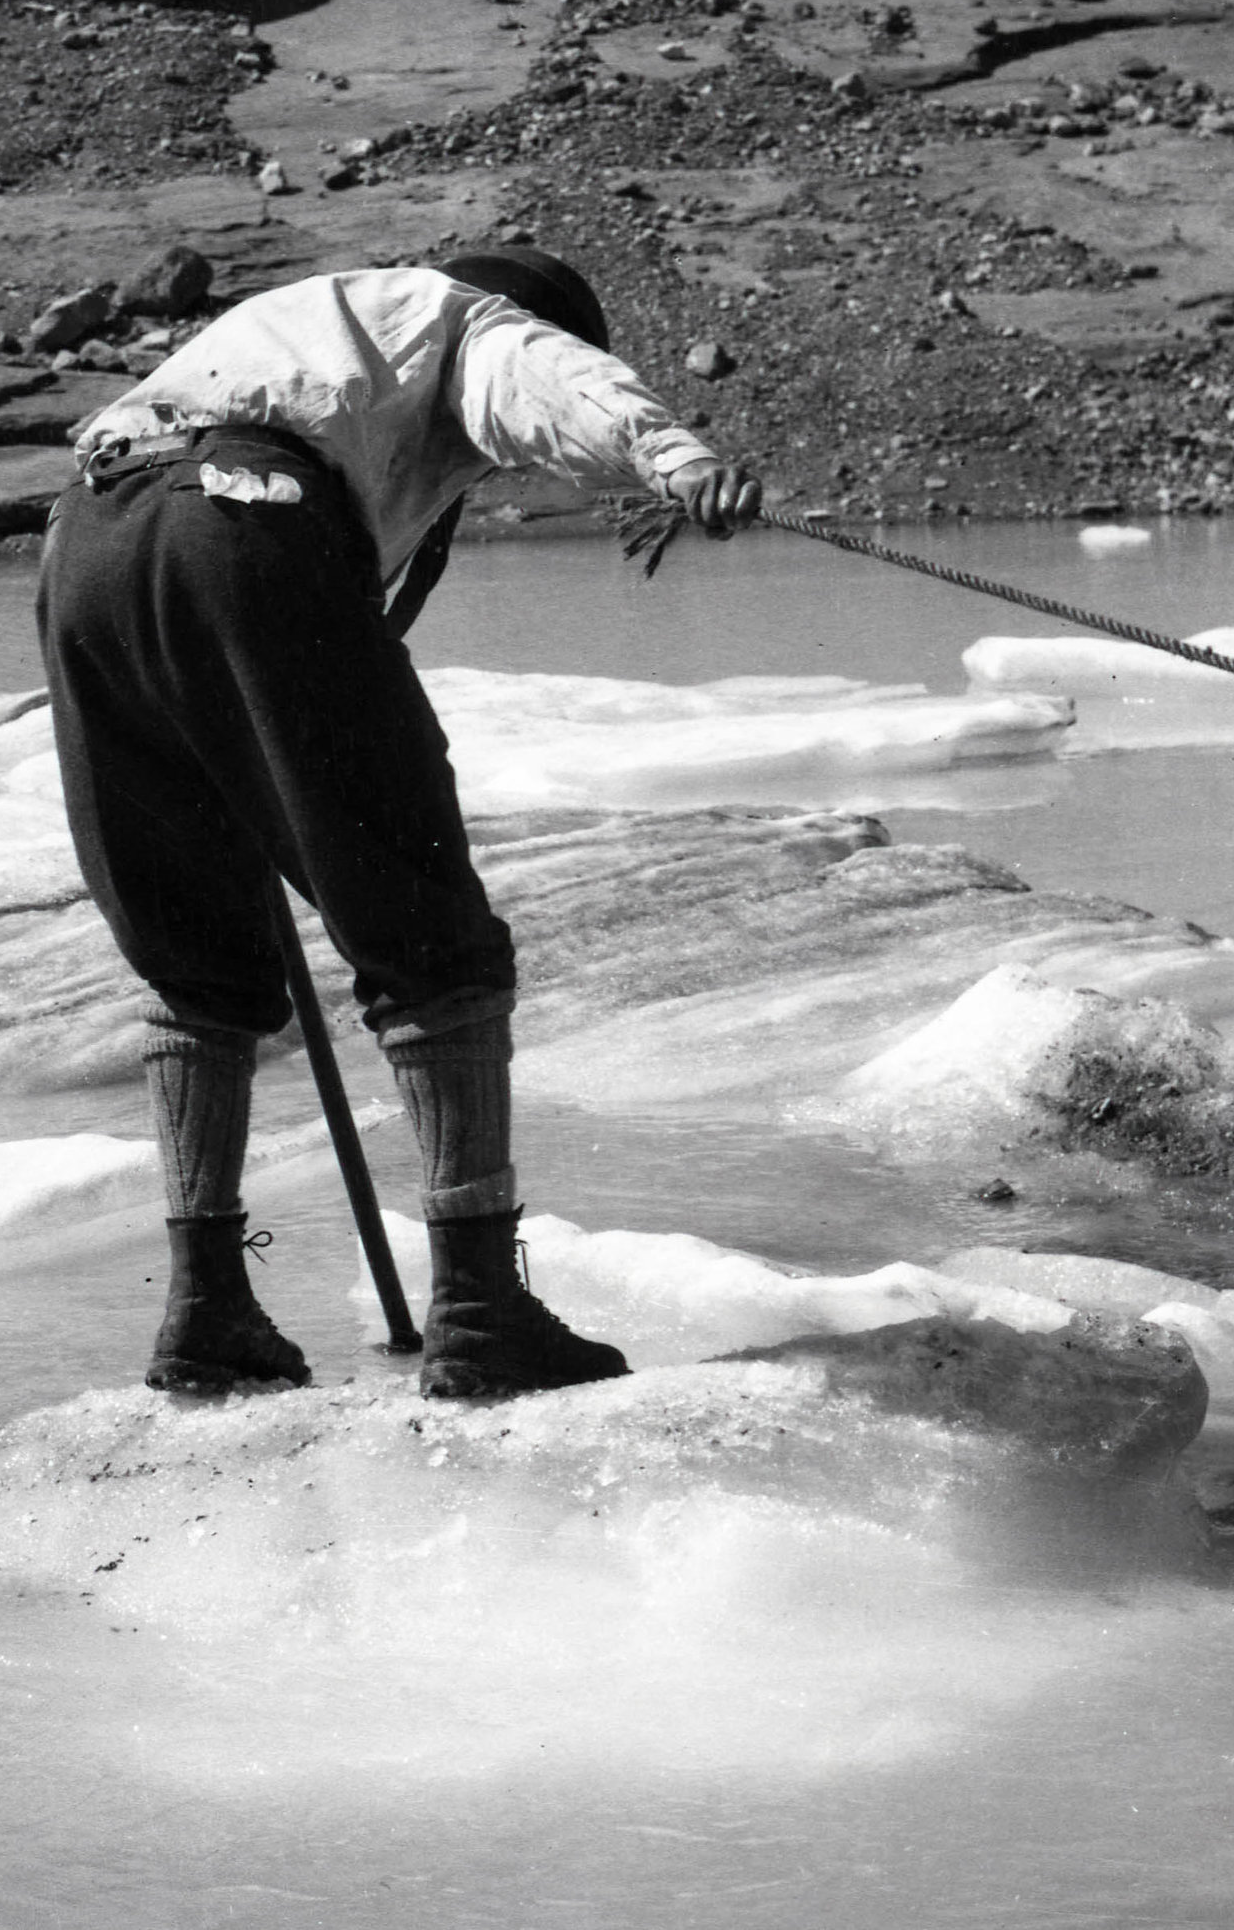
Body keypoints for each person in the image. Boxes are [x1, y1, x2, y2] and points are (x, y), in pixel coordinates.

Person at [37, 248, 761, 1403]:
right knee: (428, 936)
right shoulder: (459, 319)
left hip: (89, 543)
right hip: (247, 522)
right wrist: (672, 457)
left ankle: (206, 1310)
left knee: (197, 960)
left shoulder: (293, 324)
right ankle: (479, 1307)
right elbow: (540, 377)